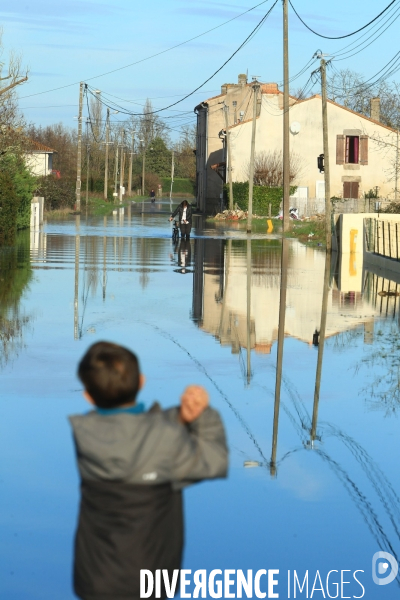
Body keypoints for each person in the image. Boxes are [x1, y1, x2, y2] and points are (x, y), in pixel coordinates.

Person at [69, 341, 228, 600]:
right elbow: (213, 461)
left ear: (87, 395)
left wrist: (177, 419)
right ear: (141, 382)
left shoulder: (85, 435)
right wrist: (202, 418)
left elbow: (135, 435)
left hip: (95, 581)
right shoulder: (166, 437)